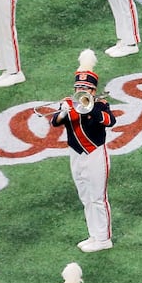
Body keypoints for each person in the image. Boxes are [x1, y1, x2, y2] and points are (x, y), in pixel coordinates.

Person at [49, 52, 115, 251]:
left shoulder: (101, 104)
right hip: (75, 154)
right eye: (78, 87)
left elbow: (109, 121)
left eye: (85, 88)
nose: (80, 91)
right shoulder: (70, 105)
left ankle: (104, 238)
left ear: (93, 90)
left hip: (95, 153)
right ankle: (93, 235)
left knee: (97, 197)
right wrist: (62, 111)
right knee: (85, 196)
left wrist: (90, 106)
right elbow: (54, 123)